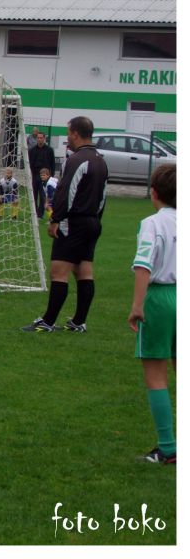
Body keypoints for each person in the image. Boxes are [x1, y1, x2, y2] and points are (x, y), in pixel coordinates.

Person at [22, 117, 108, 333]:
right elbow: (103, 196)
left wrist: (56, 219)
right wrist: (96, 218)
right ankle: (79, 322)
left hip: (74, 222)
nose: (67, 136)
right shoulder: (101, 160)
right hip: (92, 222)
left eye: (69, 132)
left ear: (76, 134)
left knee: (59, 272)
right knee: (84, 271)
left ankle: (48, 322)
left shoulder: (76, 159)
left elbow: (66, 191)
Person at [128, 164, 176, 464]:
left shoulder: (153, 223)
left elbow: (144, 264)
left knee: (156, 376)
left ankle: (169, 448)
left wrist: (137, 305)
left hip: (160, 298)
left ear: (153, 193)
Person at [28, 132, 56, 219]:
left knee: (43, 195)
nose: (39, 139)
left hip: (45, 176)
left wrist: (52, 175)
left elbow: (53, 163)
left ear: (44, 139)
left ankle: (40, 214)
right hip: (35, 174)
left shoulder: (49, 150)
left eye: (41, 138)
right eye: (38, 138)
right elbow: (29, 163)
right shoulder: (32, 150)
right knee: (33, 195)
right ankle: (34, 213)